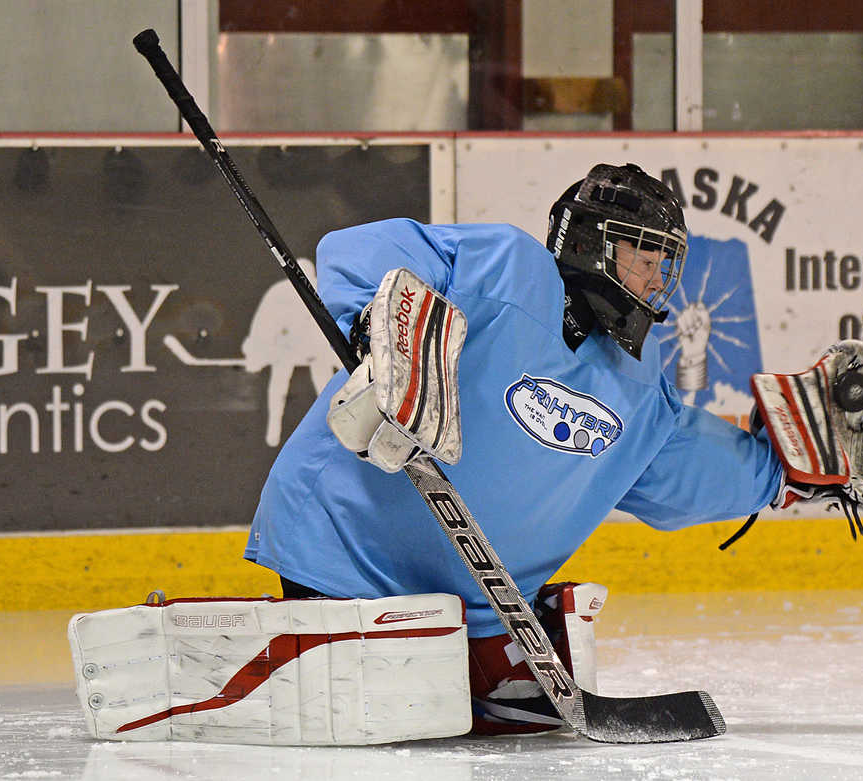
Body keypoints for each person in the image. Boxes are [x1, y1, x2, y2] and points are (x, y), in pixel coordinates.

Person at [244, 162, 789, 735]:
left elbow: (680, 467)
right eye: (645, 258)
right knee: (378, 718)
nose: (658, 281)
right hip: (342, 563)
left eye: (664, 265)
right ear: (589, 242)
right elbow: (367, 247)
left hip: (480, 617)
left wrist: (778, 472)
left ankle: (483, 666)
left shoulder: (638, 379)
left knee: (423, 716)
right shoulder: (505, 266)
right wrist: (374, 325)